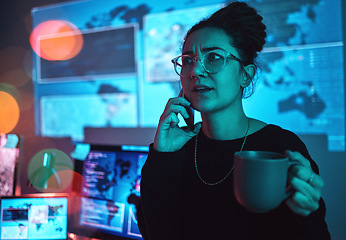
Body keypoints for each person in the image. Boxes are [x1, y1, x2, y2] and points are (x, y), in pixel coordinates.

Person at [137, 2, 330, 239]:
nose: (196, 71)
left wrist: (306, 212)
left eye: (214, 57)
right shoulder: (178, 149)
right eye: (188, 60)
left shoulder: (280, 147)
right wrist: (163, 156)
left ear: (245, 75)